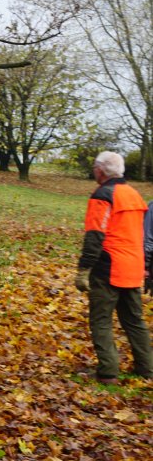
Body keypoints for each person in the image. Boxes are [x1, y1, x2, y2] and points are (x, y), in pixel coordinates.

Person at [75, 151, 153, 384]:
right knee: (134, 320)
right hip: (134, 264)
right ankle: (147, 369)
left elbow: (95, 236)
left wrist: (83, 269)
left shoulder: (103, 195)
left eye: (95, 168)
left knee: (100, 319)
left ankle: (108, 372)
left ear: (100, 170)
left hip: (109, 266)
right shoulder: (133, 194)